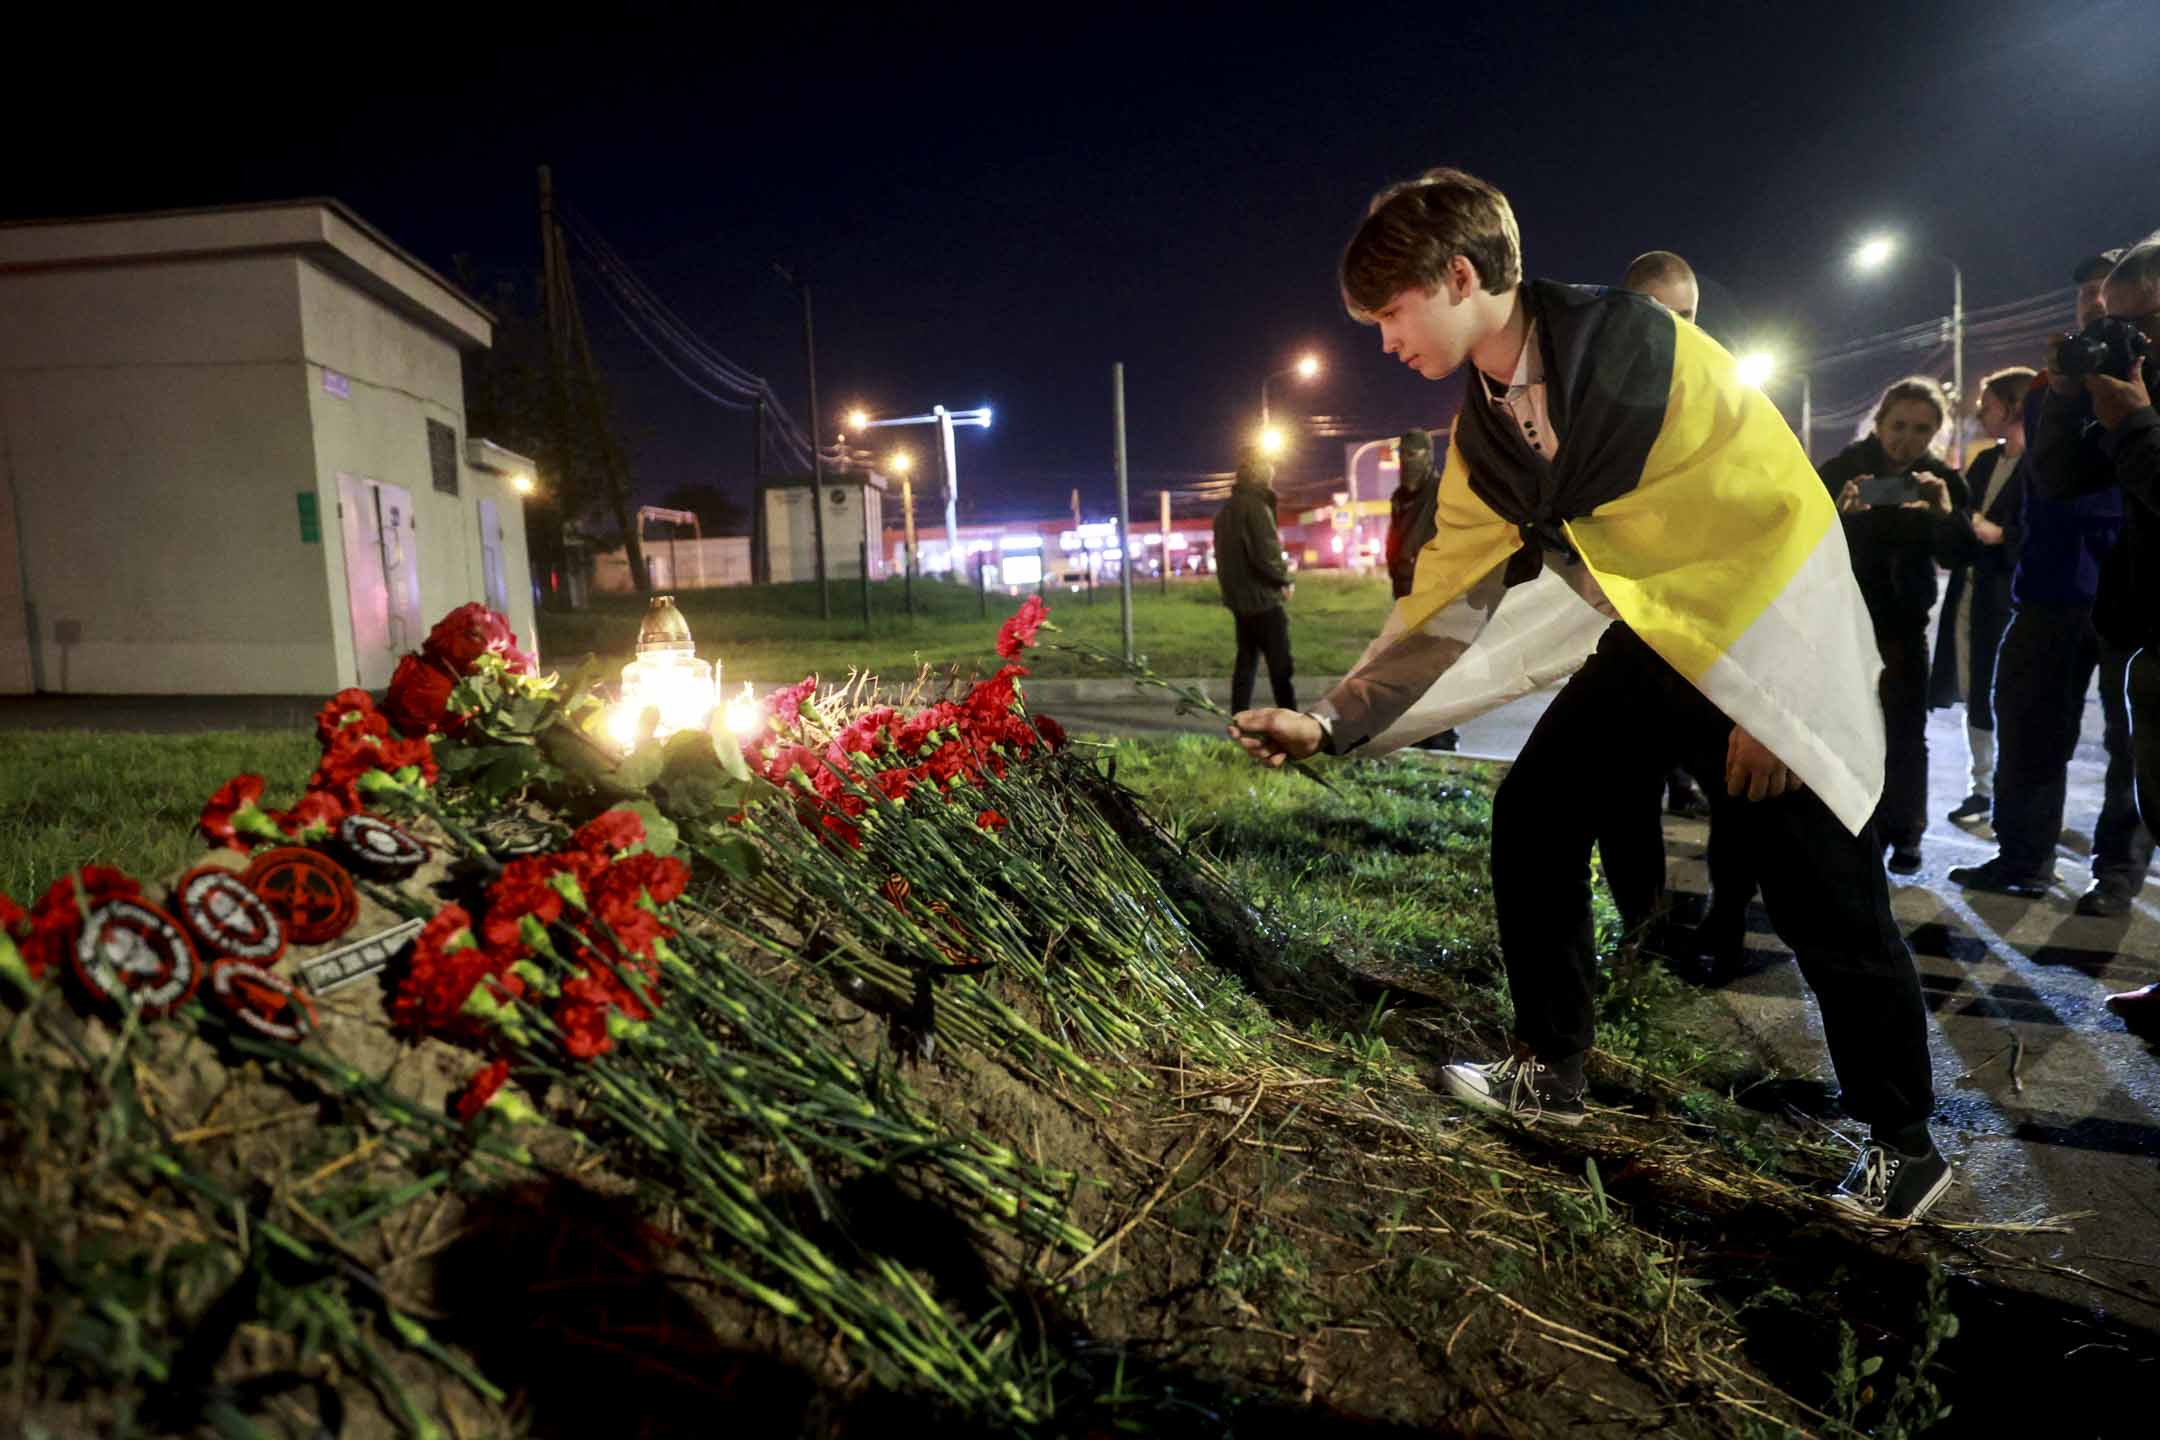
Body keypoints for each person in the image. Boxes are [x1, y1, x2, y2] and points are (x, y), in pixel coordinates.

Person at [1229, 168, 1948, 1222]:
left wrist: (1773, 700)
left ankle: (1905, 1142)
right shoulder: (1487, 430)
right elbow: (1447, 596)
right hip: (1659, 638)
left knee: (1821, 889)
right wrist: (1332, 718)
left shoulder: (1636, 351)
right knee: (1537, 808)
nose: (1384, 341)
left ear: (1460, 276)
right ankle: (1550, 1064)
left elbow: (1776, 512)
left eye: (1390, 313)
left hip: (1757, 638)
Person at [1949, 251, 2152, 915]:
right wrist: (2068, 396)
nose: (2094, 311)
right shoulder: (2049, 388)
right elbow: (2055, 476)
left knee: (2130, 742)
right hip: (2051, 582)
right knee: (2029, 721)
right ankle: (2022, 856)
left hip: (2130, 587)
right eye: (2088, 301)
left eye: (2109, 302)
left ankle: (2117, 875)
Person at [2026, 239, 2160, 1019]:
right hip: (2143, 621)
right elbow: (2059, 479)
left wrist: (2137, 424)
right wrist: (2074, 398)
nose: (2119, 342)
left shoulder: (2143, 403)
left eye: (2132, 325)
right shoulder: (2130, 390)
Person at [1818, 379, 1968, 874]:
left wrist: (1945, 514)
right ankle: (1844, 825)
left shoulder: (1938, 480)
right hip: (1844, 622)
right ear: (1879, 423)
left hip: (1904, 627)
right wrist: (1840, 516)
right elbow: (1805, 544)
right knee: (1841, 728)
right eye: (1898, 426)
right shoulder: (1841, 470)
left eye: (1922, 429)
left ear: (1936, 433)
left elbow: (1960, 554)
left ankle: (1905, 834)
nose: (1907, 439)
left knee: (1906, 733)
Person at [1933, 368, 2033, 823]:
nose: (1979, 413)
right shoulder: (1986, 463)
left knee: (2004, 694)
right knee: (1973, 690)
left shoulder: (2041, 467)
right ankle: (1981, 788)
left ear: (2013, 406)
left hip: (2008, 597)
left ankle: (2010, 792)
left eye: (1987, 404)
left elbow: (2041, 534)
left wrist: (2003, 535)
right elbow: (1964, 515)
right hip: (1969, 590)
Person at [1384, 429, 1460, 751]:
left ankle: (1443, 737)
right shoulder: (1399, 497)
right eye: (1403, 456)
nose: (1407, 462)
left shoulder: (1441, 491)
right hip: (1406, 594)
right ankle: (1421, 734)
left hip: (1435, 593)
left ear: (1428, 456)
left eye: (1413, 456)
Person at [1212, 447, 1297, 714]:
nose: (1273, 471)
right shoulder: (1256, 506)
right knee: (1281, 665)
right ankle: (1291, 718)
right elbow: (1266, 553)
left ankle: (1238, 717)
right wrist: (1284, 581)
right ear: (1261, 472)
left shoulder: (1226, 511)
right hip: (1263, 600)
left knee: (1246, 661)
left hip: (1240, 601)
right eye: (1270, 466)